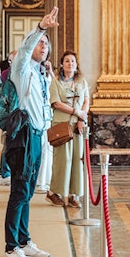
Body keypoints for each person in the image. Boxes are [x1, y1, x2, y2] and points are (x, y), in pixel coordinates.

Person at [2, 7, 57, 257]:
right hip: (23, 138)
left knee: (28, 192)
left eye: (46, 44)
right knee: (19, 191)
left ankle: (24, 241)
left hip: (38, 136)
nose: (43, 46)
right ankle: (11, 247)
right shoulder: (22, 69)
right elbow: (24, 51)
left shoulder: (41, 73)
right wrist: (40, 29)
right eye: (40, 43)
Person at [46, 50, 90, 208]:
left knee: (77, 160)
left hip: (78, 125)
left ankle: (74, 194)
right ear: (62, 64)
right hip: (62, 124)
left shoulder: (81, 81)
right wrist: (76, 112)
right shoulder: (56, 81)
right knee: (63, 160)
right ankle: (54, 192)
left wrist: (81, 117)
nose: (70, 64)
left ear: (76, 64)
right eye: (67, 61)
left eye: (73, 61)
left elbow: (86, 100)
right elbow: (56, 103)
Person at [35, 55, 53, 193]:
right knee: (39, 149)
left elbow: (55, 87)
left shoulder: (48, 78)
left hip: (47, 116)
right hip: (36, 115)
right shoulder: (34, 76)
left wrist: (50, 72)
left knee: (47, 149)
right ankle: (38, 180)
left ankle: (45, 180)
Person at [0, 53, 15, 187]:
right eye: (10, 60)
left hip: (19, 115)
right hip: (9, 115)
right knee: (8, 145)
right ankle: (5, 172)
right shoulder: (6, 74)